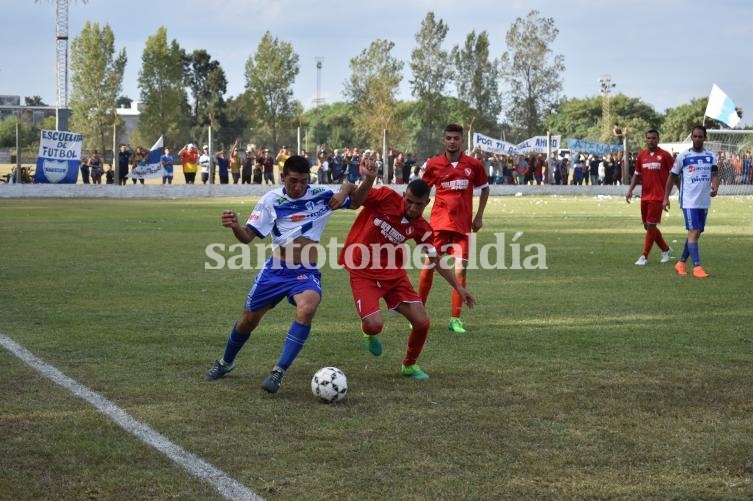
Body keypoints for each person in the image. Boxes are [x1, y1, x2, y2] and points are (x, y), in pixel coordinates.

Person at [203, 155, 373, 394]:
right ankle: (225, 363)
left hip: (305, 270)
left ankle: (278, 371)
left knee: (308, 306)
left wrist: (357, 183)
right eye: (293, 181)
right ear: (282, 177)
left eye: (303, 181)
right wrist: (235, 227)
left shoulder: (321, 194)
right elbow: (247, 237)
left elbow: (356, 202)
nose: (298, 187)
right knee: (248, 321)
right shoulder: (270, 200)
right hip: (275, 271)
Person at [339, 178, 476, 380]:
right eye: (409, 201)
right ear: (404, 195)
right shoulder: (385, 196)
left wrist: (458, 286)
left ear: (427, 203)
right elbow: (356, 196)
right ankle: (368, 332)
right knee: (375, 325)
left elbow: (435, 259)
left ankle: (409, 365)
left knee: (422, 322)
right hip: (363, 272)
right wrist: (352, 186)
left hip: (394, 276)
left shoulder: (422, 228)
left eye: (418, 204)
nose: (412, 208)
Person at [417, 123, 489, 334]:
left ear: (461, 141)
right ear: (443, 140)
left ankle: (455, 319)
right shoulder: (434, 164)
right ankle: (418, 314)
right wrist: (418, 219)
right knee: (428, 267)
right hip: (438, 226)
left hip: (463, 227)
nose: (452, 141)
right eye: (448, 138)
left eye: (456, 138)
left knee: (460, 272)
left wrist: (479, 216)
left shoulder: (473, 165)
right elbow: (421, 192)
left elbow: (485, 189)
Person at [663, 125, 719, 278]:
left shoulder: (711, 156)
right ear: (692, 137)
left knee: (696, 233)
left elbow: (714, 174)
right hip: (688, 201)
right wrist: (665, 197)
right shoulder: (683, 156)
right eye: (695, 136)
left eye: (700, 136)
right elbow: (671, 177)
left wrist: (715, 186)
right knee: (694, 232)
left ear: (704, 138)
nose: (697, 139)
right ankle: (697, 267)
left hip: (704, 201)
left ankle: (680, 262)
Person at [626, 129, 674, 266]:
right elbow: (636, 174)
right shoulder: (641, 156)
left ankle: (644, 256)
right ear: (645, 140)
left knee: (651, 225)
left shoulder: (665, 156)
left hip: (658, 196)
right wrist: (630, 190)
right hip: (645, 196)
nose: (651, 140)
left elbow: (674, 175)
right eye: (648, 138)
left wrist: (669, 195)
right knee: (648, 227)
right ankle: (666, 249)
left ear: (658, 139)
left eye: (654, 138)